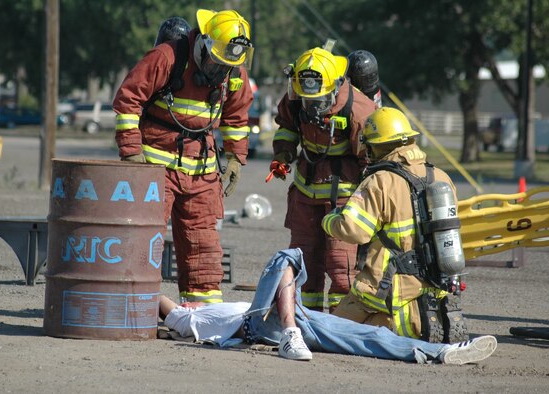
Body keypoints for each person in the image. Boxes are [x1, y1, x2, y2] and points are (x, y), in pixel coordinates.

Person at [113, 9, 255, 303]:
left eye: (227, 66)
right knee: (145, 237)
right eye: (216, 63)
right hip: (156, 168)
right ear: (203, 43)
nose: (220, 71)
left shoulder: (234, 71)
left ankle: (203, 311)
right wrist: (131, 152)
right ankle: (133, 304)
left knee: (202, 243)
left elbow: (237, 118)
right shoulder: (166, 57)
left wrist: (235, 160)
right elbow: (128, 100)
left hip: (202, 172)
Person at [159, 248, 497, 364]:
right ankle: (291, 334)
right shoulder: (186, 321)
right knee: (286, 257)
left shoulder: (203, 314)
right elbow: (156, 301)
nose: (189, 302)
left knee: (367, 336)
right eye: (185, 304)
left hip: (283, 316)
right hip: (258, 322)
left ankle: (440, 353)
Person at [322, 107, 468, 343]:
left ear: (378, 146)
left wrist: (329, 221)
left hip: (385, 288)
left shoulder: (380, 181)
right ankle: (435, 323)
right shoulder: (441, 176)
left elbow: (354, 230)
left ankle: (403, 333)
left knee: (331, 332)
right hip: (434, 284)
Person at [269, 44, 377, 311]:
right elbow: (286, 128)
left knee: (341, 264)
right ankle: (307, 317)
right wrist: (283, 155)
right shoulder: (296, 97)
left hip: (343, 198)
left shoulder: (359, 110)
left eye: (317, 101)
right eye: (308, 101)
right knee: (304, 260)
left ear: (334, 86)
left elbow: (371, 161)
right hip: (306, 193)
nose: (312, 107)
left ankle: (341, 321)